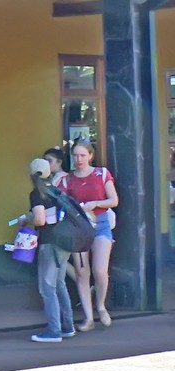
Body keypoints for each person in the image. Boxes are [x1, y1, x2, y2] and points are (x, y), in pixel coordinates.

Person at [60, 138, 119, 329]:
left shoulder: (102, 174)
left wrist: (96, 204)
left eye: (83, 155)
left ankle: (100, 305)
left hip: (101, 223)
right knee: (81, 273)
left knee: (100, 270)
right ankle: (88, 318)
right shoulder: (67, 179)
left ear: (90, 156)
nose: (79, 159)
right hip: (78, 227)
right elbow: (61, 203)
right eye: (76, 155)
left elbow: (114, 200)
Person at [27, 156, 82, 343]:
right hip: (64, 243)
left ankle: (54, 330)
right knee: (60, 284)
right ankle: (68, 326)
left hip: (48, 243)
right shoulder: (56, 191)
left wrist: (27, 219)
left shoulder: (37, 194)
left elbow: (40, 220)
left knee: (47, 288)